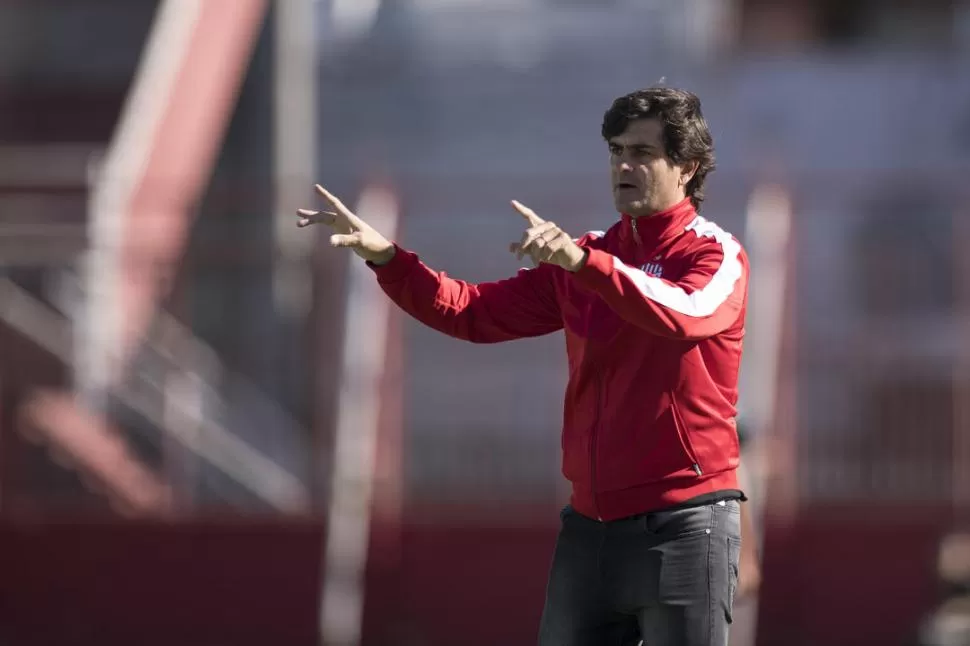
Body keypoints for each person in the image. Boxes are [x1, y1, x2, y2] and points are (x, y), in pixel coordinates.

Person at [298, 86, 750, 646]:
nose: (623, 165)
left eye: (642, 152)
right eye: (615, 150)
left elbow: (684, 311)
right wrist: (388, 259)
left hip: (686, 524)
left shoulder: (712, 253)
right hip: (590, 530)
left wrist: (586, 264)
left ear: (688, 167)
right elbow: (473, 313)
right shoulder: (585, 258)